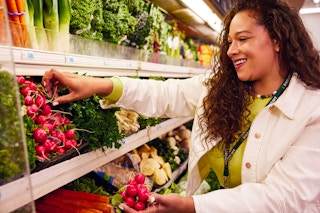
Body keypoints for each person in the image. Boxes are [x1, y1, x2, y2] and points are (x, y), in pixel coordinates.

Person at [42, 0, 320, 212]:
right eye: (230, 41)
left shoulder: (312, 109)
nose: (231, 50)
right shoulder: (224, 87)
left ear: (277, 40)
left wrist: (191, 206)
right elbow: (165, 94)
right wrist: (99, 85)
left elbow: (282, 197)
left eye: (243, 39)